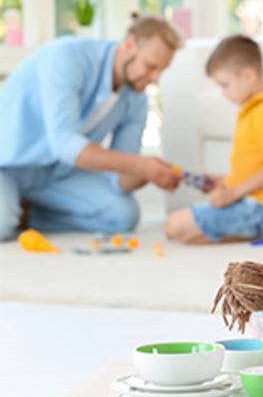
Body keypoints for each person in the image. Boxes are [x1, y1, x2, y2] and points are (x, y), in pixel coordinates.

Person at [0, 14, 183, 240]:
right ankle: (10, 211)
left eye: (161, 71)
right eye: (150, 66)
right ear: (128, 44)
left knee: (122, 215)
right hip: (8, 166)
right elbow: (65, 144)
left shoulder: (136, 98)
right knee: (1, 225)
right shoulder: (67, 57)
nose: (155, 79)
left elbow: (120, 178)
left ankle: (26, 213)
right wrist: (139, 165)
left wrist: (148, 173)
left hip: (56, 174)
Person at [164, 35, 263, 244]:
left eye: (225, 85)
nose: (223, 93)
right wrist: (225, 182)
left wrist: (232, 193)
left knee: (174, 226)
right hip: (250, 204)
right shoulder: (251, 111)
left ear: (248, 75)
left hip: (258, 208)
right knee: (184, 233)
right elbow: (254, 168)